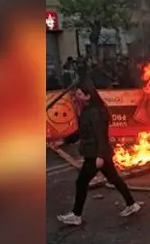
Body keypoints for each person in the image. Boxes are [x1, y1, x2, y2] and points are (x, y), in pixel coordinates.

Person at [53, 81, 141, 226]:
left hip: (95, 153)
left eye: (79, 94)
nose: (76, 96)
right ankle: (132, 204)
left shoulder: (94, 112)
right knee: (114, 179)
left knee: (81, 182)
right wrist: (63, 141)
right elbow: (83, 132)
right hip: (98, 152)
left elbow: (99, 134)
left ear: (88, 96)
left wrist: (100, 156)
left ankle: (76, 215)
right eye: (76, 94)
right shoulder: (91, 110)